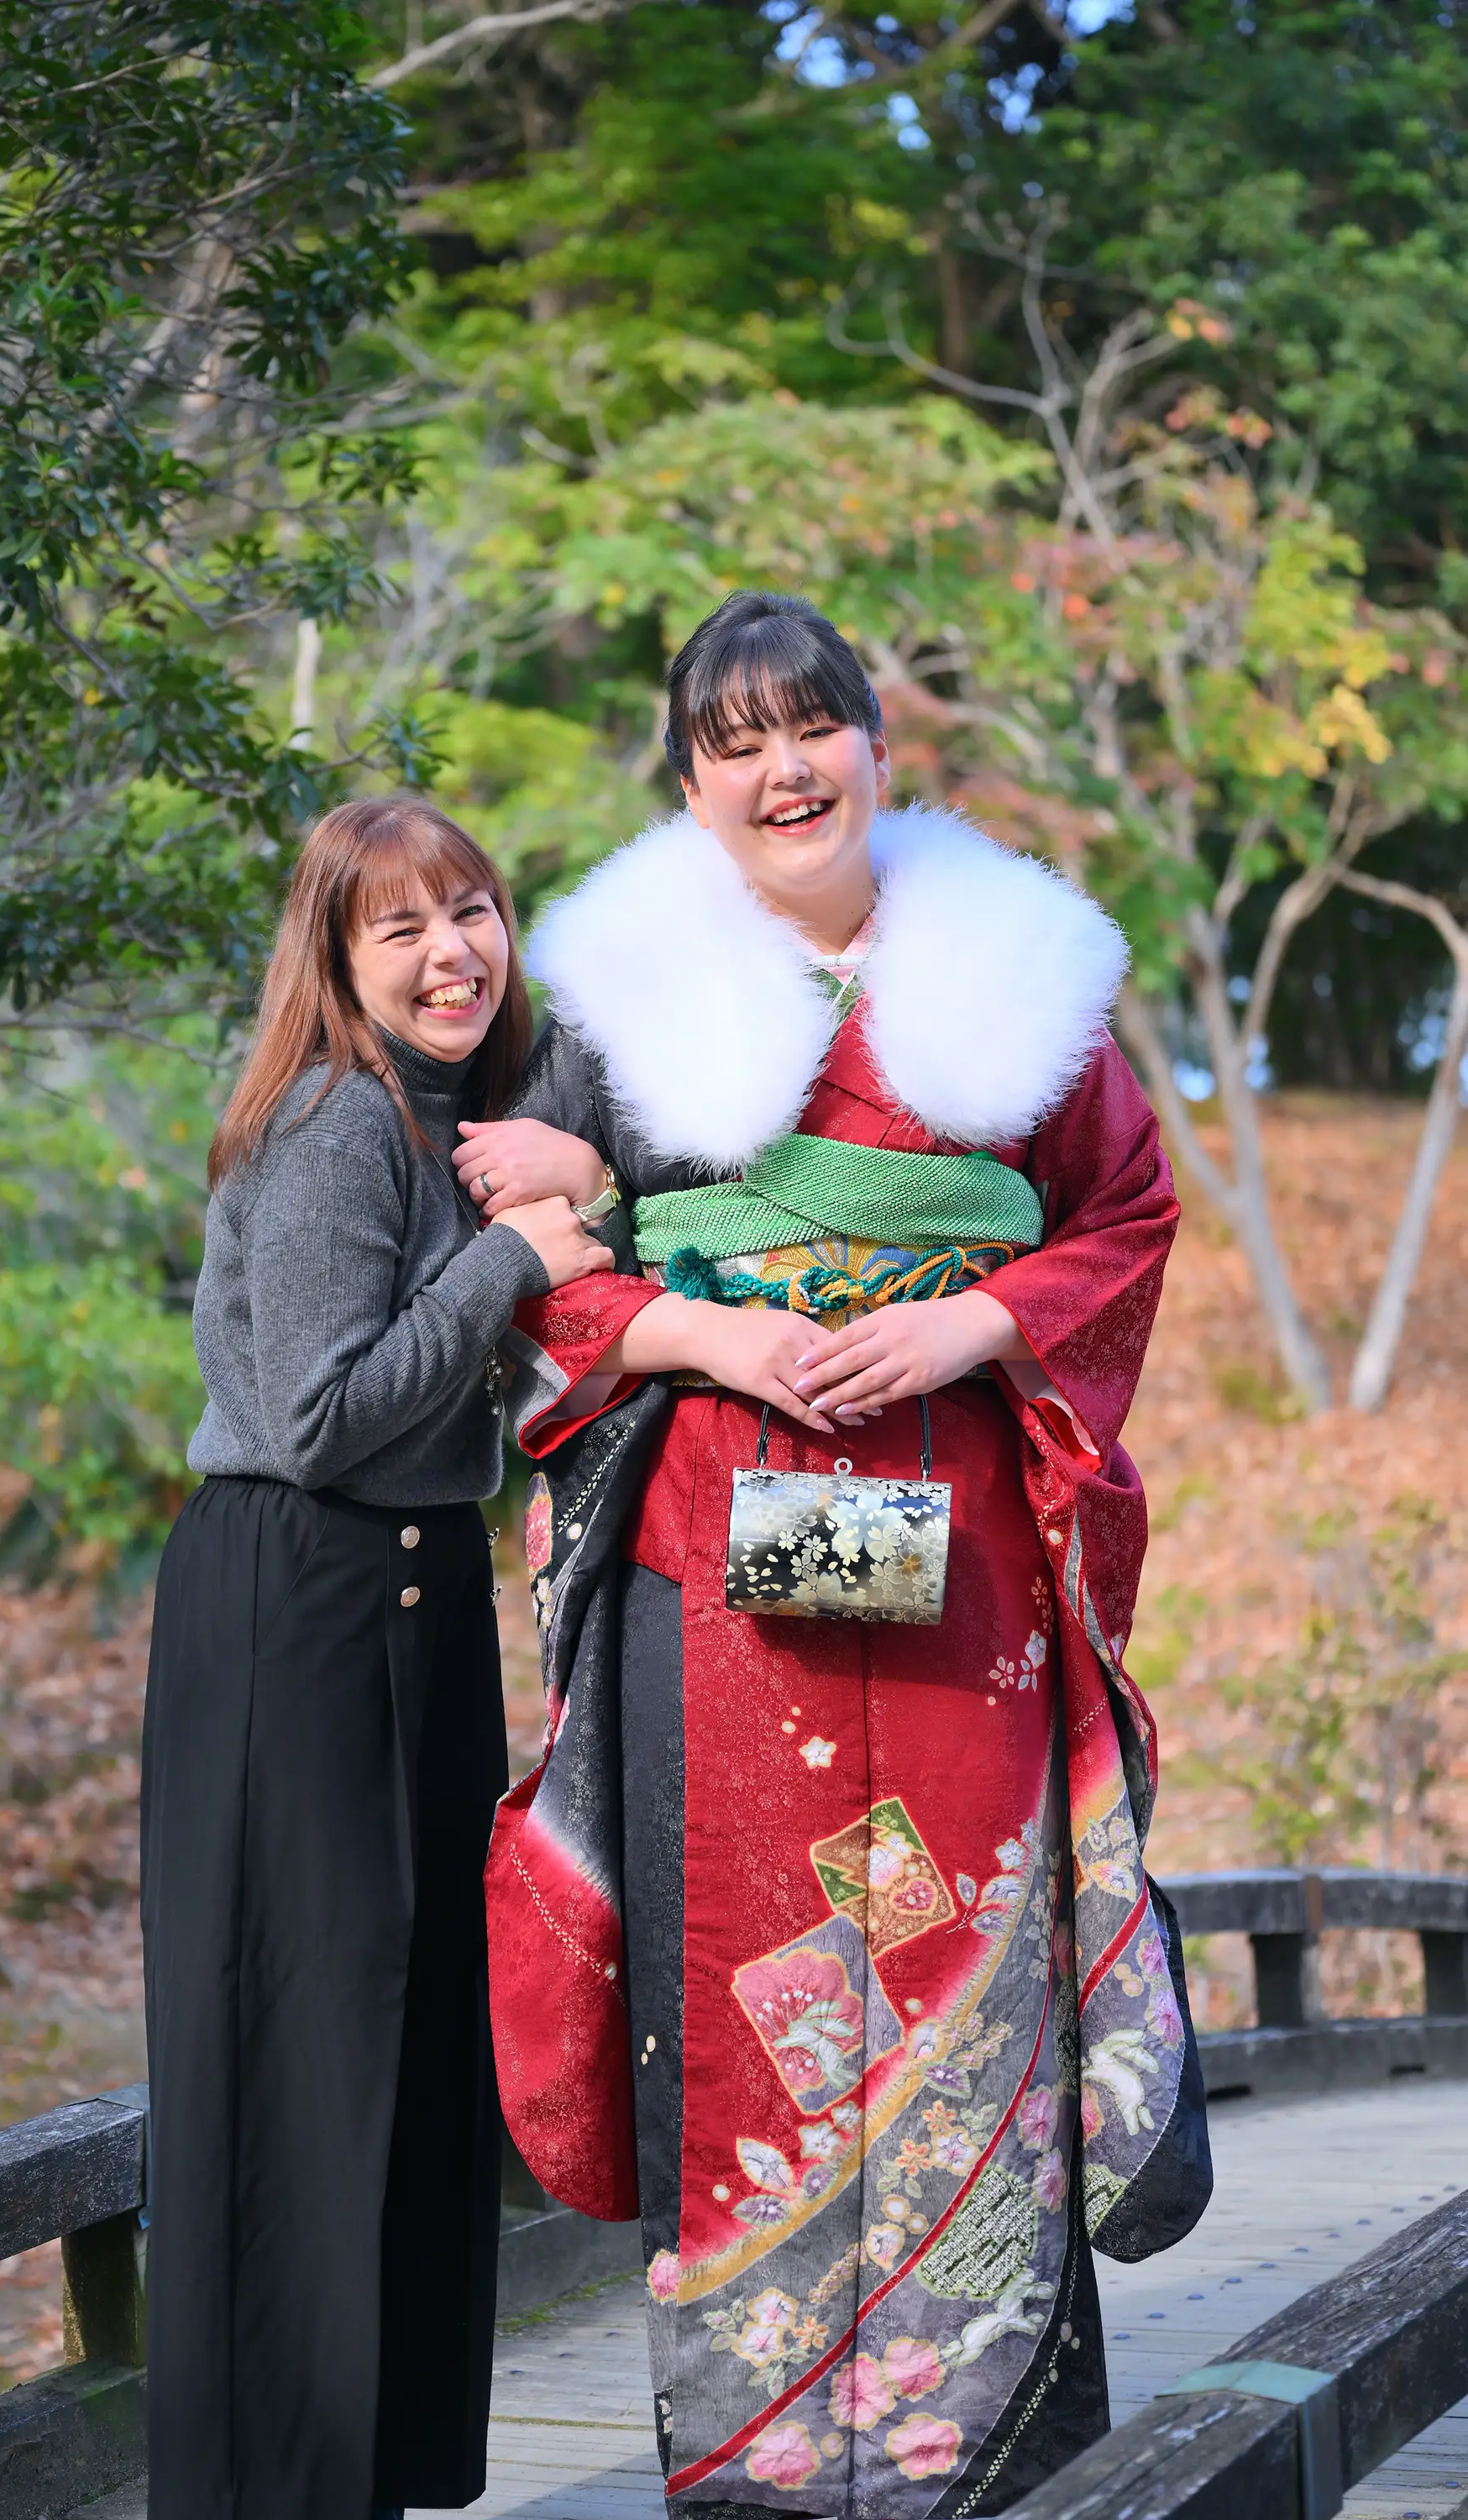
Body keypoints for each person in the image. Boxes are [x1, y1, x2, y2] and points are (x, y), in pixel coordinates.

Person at [460, 593, 1212, 2517]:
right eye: (735, 745)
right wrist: (706, 1335)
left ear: (878, 747)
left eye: (812, 728)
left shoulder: (1015, 977)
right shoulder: (618, 1003)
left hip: (956, 1556)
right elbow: (530, 1271)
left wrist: (972, 1321)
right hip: (720, 1562)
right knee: (743, 1969)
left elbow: (1125, 1213)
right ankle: (761, 2458)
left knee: (967, 1941)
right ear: (689, 787)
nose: (782, 771)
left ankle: (994, 2441)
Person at [140, 796, 613, 2520]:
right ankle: (271, 2484)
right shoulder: (339, 1120)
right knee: (299, 2044)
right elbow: (321, 1418)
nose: (450, 955)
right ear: (336, 962)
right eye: (399, 928)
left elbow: (615, 1087)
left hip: (414, 1602)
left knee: (411, 2043)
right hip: (297, 1598)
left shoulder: (464, 1111)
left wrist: (576, 1184)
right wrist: (511, 1260)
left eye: (472, 911)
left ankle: (374, 2471)